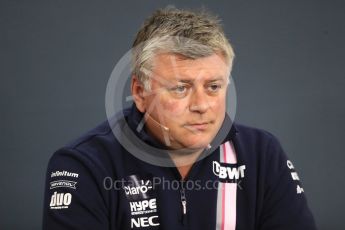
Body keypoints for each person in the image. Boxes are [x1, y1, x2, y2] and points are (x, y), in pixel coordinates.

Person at [42, 7, 317, 230]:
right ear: (139, 92)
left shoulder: (262, 154)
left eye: (213, 87)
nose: (201, 105)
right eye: (180, 88)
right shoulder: (84, 165)